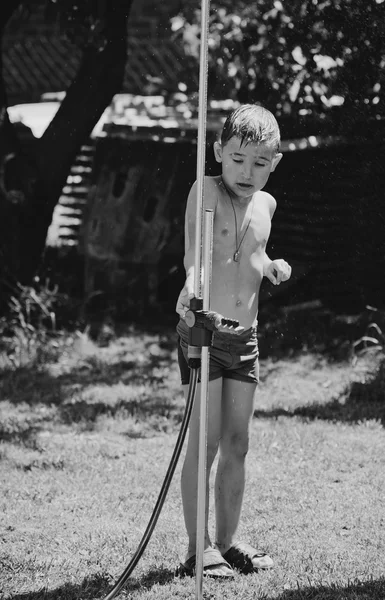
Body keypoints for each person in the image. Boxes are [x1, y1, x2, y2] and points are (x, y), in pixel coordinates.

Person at [175, 104, 292, 578]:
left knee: (237, 443)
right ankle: (196, 548)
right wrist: (192, 284)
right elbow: (201, 253)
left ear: (275, 163)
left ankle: (226, 541)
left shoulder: (266, 205)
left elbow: (251, 255)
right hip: (205, 331)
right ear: (219, 151)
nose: (247, 172)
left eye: (260, 163)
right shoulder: (205, 190)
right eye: (238, 159)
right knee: (203, 445)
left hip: (246, 339)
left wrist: (271, 267)